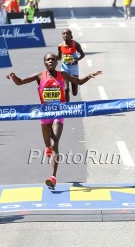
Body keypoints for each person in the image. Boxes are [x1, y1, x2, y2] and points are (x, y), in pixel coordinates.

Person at [6, 52, 102, 189]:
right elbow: (20, 82)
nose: (50, 61)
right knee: (48, 145)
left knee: (55, 144)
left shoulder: (63, 75)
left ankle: (53, 177)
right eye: (48, 59)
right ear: (45, 63)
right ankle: (48, 149)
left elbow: (78, 81)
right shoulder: (40, 76)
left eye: (53, 59)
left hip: (59, 112)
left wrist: (90, 76)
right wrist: (13, 76)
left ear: (57, 62)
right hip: (45, 114)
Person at [57, 29, 85, 102]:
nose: (65, 35)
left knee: (74, 92)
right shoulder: (60, 46)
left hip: (74, 67)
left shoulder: (75, 44)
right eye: (63, 34)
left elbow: (82, 55)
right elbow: (59, 57)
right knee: (66, 89)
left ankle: (74, 89)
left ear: (70, 35)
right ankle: (67, 106)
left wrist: (76, 60)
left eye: (67, 34)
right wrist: (55, 57)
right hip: (65, 68)